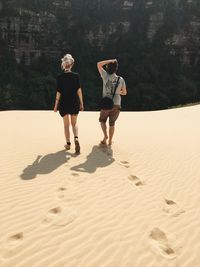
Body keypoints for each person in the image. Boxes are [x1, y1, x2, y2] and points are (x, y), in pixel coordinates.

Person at [54, 54, 84, 154]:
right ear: (72, 64)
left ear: (64, 64)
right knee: (74, 123)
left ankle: (68, 144)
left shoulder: (60, 77)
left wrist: (55, 106)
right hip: (74, 101)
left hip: (64, 103)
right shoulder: (76, 76)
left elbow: (58, 93)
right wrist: (81, 103)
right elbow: (79, 91)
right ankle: (76, 138)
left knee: (66, 125)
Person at [97, 59, 127, 146]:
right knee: (112, 124)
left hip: (106, 103)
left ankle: (105, 136)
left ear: (108, 67)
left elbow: (98, 64)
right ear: (116, 68)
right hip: (117, 103)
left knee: (102, 121)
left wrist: (110, 60)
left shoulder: (105, 75)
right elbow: (124, 92)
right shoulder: (121, 79)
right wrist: (118, 92)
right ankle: (110, 140)